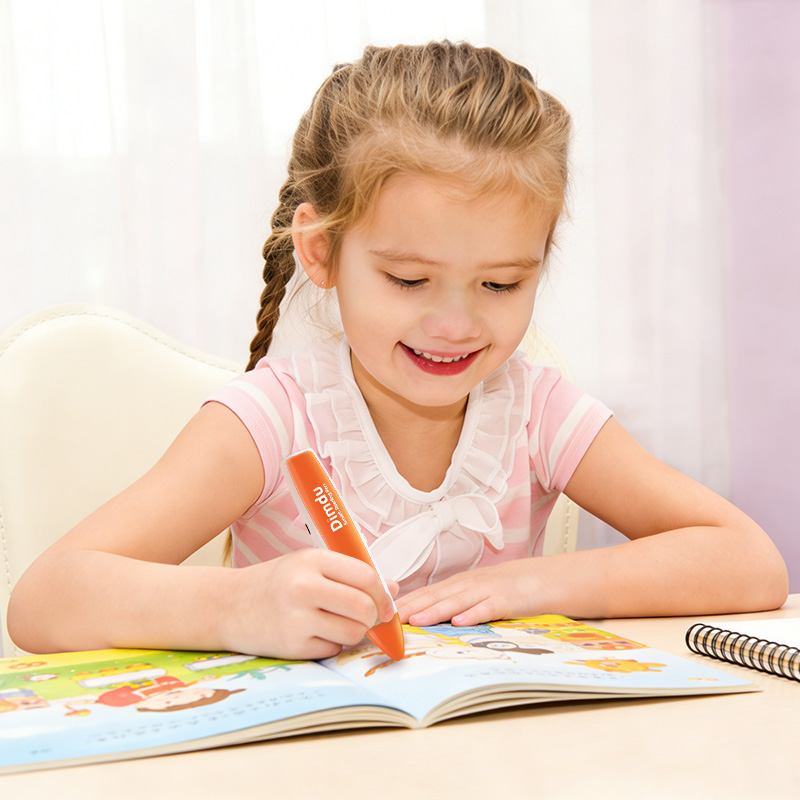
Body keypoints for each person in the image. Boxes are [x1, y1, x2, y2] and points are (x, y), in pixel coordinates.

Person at [7, 41, 788, 661]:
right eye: (410, 280)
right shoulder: (272, 420)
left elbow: (748, 562)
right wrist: (239, 607)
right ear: (321, 251)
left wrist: (530, 585)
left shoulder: (536, 411)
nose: (455, 324)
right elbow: (44, 599)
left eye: (501, 284)